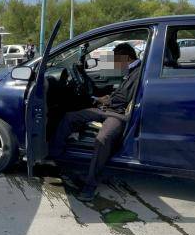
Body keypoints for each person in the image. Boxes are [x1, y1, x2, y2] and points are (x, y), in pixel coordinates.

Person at [48, 43, 141, 201]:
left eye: (116, 60)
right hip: (110, 109)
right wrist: (103, 98)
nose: (114, 64)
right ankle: (55, 159)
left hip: (118, 115)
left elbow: (124, 98)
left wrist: (105, 100)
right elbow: (120, 92)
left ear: (127, 58)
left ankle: (90, 185)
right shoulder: (130, 70)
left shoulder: (138, 73)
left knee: (102, 139)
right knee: (70, 117)